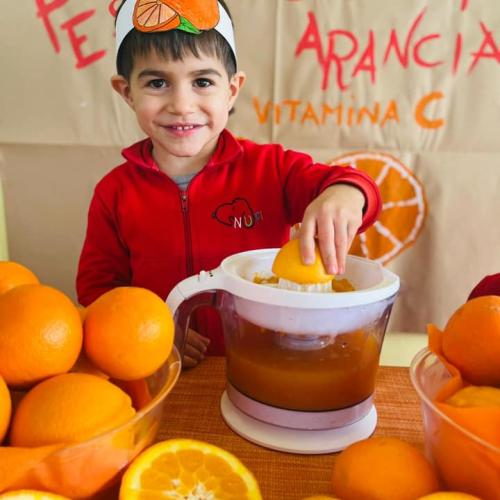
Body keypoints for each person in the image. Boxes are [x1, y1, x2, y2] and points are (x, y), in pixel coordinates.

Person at [76, 0, 382, 367]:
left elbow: (351, 185)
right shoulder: (114, 193)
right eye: (157, 83)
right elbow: (98, 291)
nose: (182, 104)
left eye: (202, 81)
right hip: (163, 371)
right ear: (126, 92)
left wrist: (345, 194)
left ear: (232, 89)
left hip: (268, 361)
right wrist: (150, 333)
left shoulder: (272, 168)